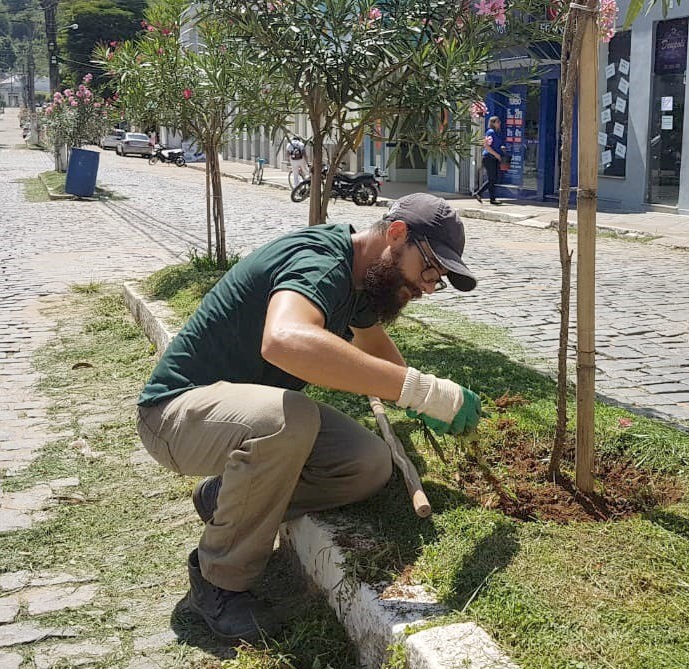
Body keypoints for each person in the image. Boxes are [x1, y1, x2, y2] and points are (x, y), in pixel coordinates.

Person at [136, 193, 484, 641]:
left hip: (239, 422)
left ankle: (224, 498)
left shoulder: (359, 283)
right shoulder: (321, 261)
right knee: (292, 418)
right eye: (430, 269)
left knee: (368, 464)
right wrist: (420, 392)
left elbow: (378, 352)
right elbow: (283, 340)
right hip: (174, 416)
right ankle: (218, 583)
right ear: (397, 235)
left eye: (438, 281)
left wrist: (425, 396)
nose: (427, 287)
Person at [472, 116, 505, 205]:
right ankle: (479, 193)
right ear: (493, 123)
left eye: (499, 122)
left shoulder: (498, 133)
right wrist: (496, 154)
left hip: (495, 158)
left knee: (493, 179)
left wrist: (502, 148)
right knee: (492, 178)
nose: (499, 124)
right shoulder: (490, 132)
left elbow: (497, 144)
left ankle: (492, 199)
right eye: (497, 122)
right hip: (489, 158)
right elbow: (486, 146)